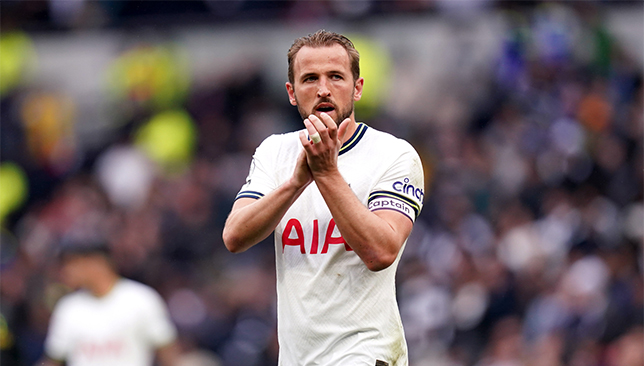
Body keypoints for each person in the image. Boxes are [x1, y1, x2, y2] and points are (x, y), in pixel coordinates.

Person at [222, 30, 425, 366]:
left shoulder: (394, 155)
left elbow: (382, 251)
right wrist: (296, 182)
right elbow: (234, 236)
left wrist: (327, 173)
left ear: (357, 87)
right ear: (292, 93)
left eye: (335, 77)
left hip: (366, 353)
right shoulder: (275, 152)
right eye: (309, 79)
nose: (323, 89)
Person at [36, 241, 179, 366]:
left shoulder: (141, 299)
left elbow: (167, 353)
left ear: (95, 262)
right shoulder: (69, 308)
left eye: (71, 263)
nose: (66, 271)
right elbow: (54, 359)